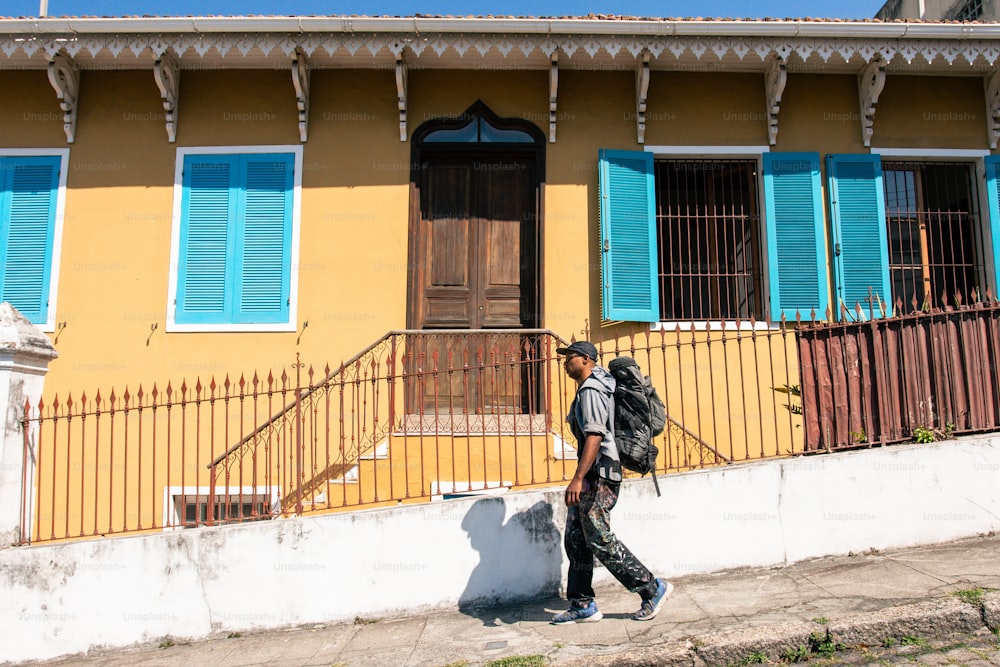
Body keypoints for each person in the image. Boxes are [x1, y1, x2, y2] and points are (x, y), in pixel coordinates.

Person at [551, 340, 673, 624]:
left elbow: (595, 435)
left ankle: (652, 589)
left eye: (569, 357)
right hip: (594, 473)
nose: (565, 362)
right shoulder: (592, 386)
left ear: (586, 359)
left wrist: (578, 478)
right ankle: (582, 604)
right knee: (577, 539)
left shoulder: (592, 389)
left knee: (599, 538)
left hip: (599, 474)